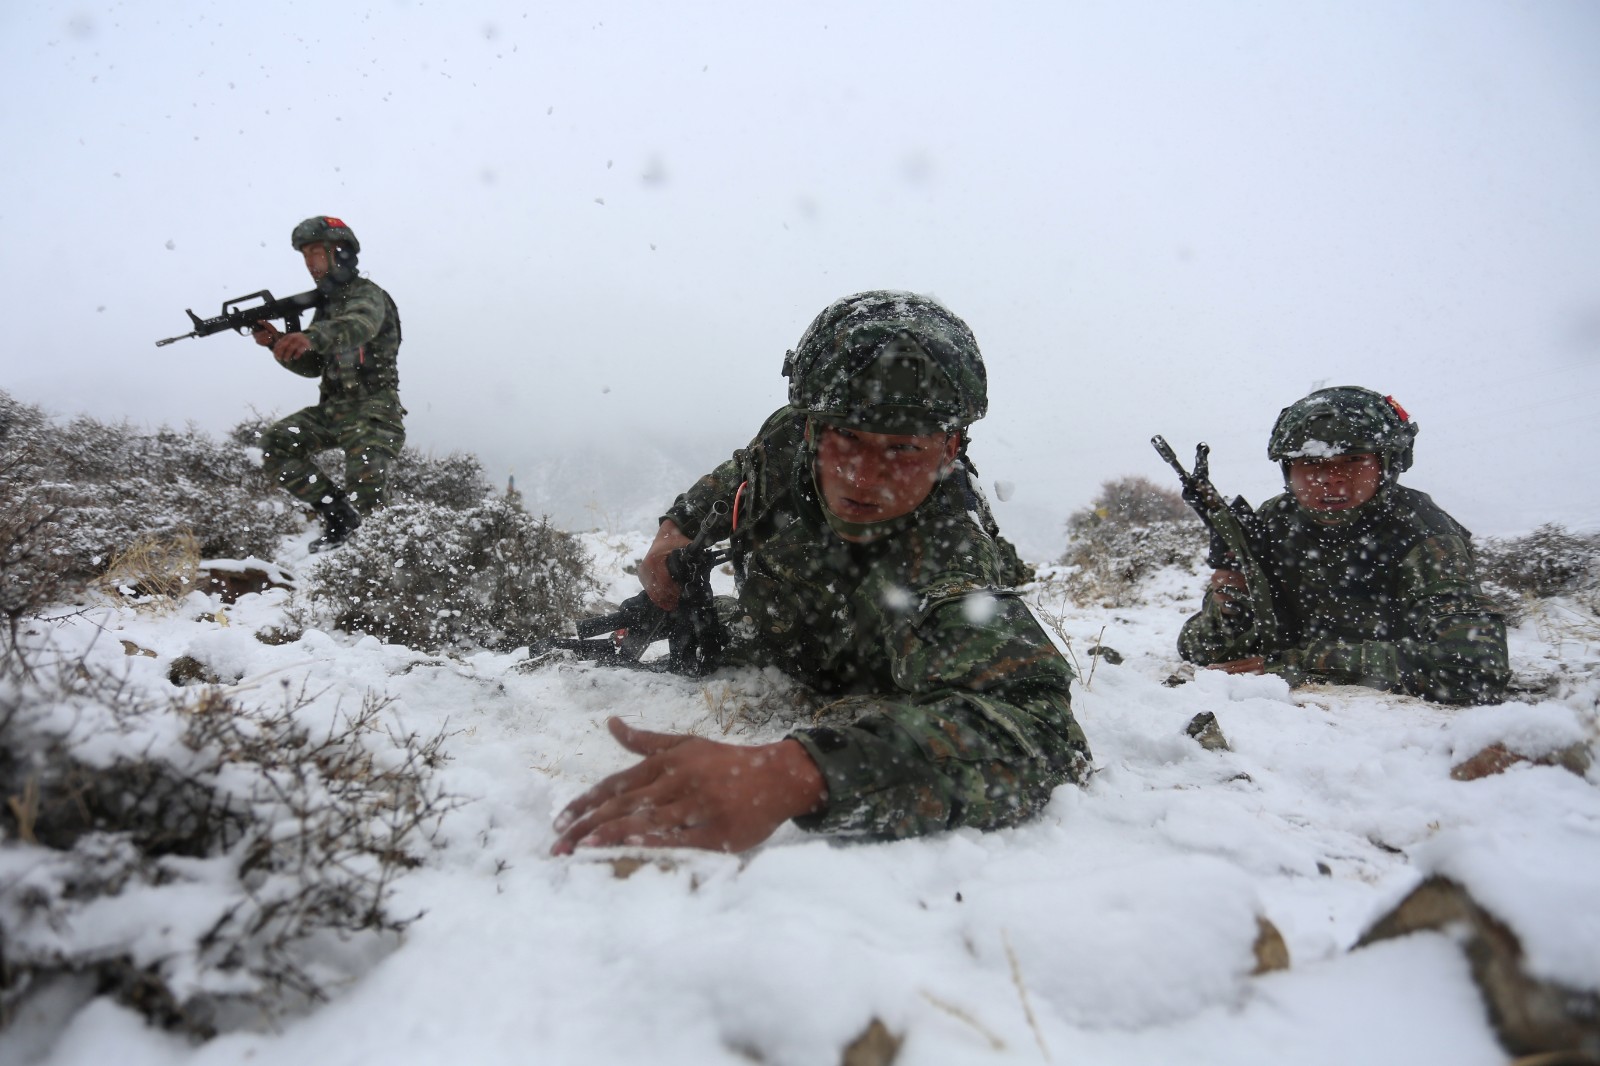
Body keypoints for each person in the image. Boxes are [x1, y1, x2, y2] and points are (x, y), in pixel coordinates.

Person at [550, 291, 1092, 855]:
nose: (865, 476)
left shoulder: (947, 558)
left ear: (949, 447)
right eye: (848, 440)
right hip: (785, 624)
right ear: (813, 429)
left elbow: (1043, 736)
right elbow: (744, 471)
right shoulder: (797, 432)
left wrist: (790, 777)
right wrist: (673, 538)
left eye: (903, 449)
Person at [1177, 386, 1509, 703]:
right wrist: (1226, 608)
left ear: (1387, 464)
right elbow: (1197, 647)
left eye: (1352, 461)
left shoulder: (1423, 534)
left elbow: (1473, 668)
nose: (1330, 477)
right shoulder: (1274, 520)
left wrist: (1308, 661)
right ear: (1288, 470)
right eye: (1311, 463)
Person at [251, 216, 404, 552]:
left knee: (367, 487)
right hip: (333, 411)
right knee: (277, 444)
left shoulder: (369, 295)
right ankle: (339, 516)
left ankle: (383, 556)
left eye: (316, 252)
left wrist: (312, 336)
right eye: (305, 255)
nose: (310, 263)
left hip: (372, 409)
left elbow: (359, 325)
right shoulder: (326, 307)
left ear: (341, 252)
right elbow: (314, 367)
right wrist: (279, 344)